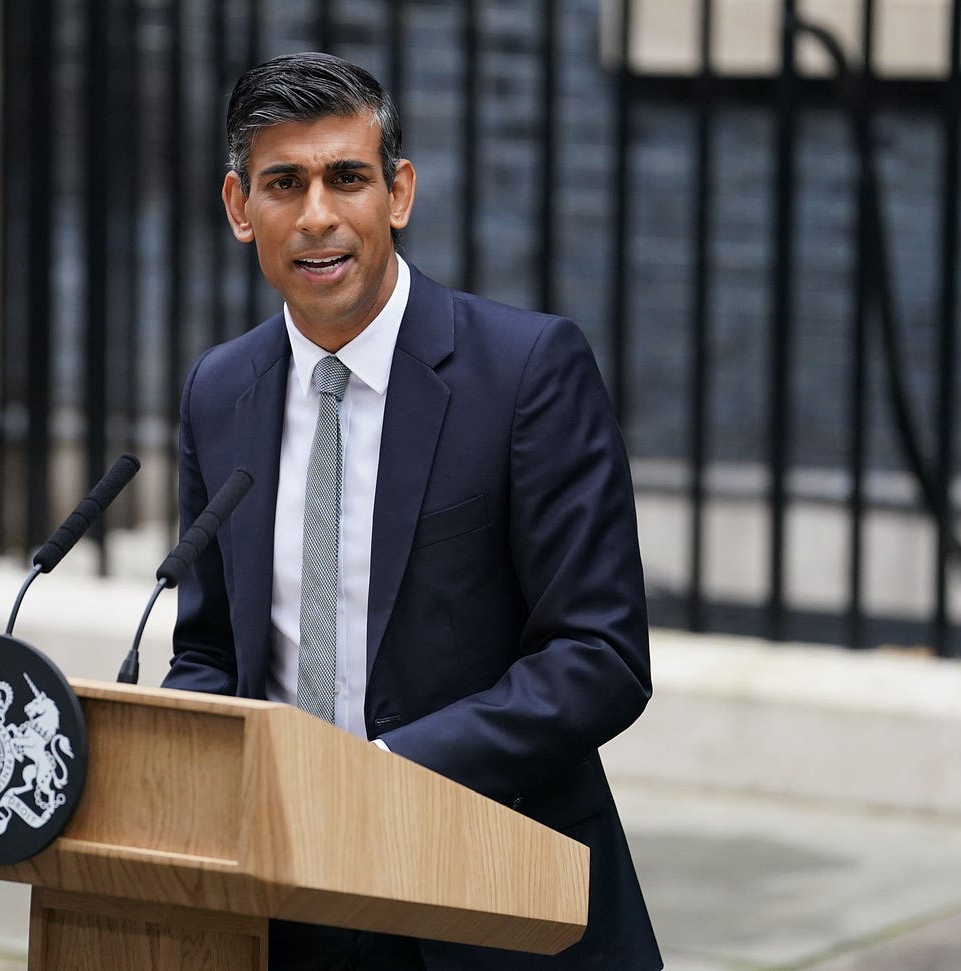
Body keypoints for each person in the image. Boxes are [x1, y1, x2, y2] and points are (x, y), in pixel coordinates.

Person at [161, 51, 662, 970]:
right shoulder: (219, 390)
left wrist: (379, 778)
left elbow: (600, 656)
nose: (318, 215)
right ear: (239, 207)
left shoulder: (526, 372)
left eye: (346, 178)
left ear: (398, 193)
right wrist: (163, 757)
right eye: (284, 183)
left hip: (488, 898)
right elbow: (211, 651)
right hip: (279, 904)